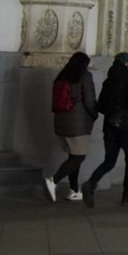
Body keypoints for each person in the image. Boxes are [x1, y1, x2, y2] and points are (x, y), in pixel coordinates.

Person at [82, 52, 128, 207]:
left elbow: (101, 106)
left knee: (109, 161)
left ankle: (91, 183)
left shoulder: (108, 80)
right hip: (126, 128)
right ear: (127, 63)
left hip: (110, 126)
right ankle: (127, 195)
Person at [44, 51, 96, 202]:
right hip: (78, 124)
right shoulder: (85, 76)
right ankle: (53, 181)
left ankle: (73, 190)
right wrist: (94, 114)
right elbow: (90, 101)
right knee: (79, 157)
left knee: (73, 156)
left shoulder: (62, 75)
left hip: (61, 121)